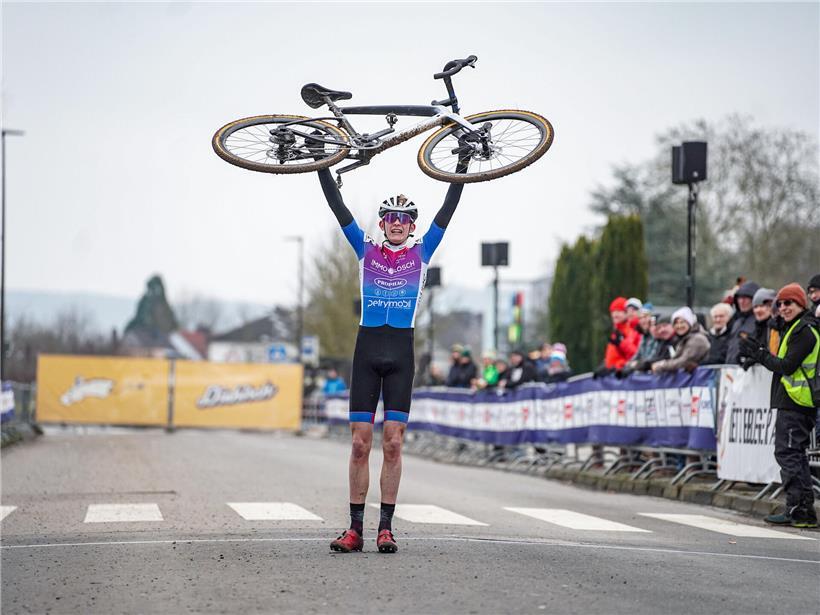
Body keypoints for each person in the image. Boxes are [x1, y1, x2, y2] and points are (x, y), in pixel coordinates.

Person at [316, 160, 466, 554]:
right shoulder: (365, 250)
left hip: (401, 351)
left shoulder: (423, 251)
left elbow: (448, 210)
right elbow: (338, 207)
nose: (397, 223)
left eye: (404, 218)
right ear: (382, 223)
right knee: (359, 444)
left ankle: (386, 527)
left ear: (412, 226)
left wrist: (462, 165)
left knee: (394, 443)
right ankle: (354, 529)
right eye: (391, 217)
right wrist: (321, 166)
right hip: (367, 349)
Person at [740, 283, 819, 529]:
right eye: (781, 303)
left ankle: (799, 510)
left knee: (789, 454)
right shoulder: (795, 327)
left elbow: (787, 366)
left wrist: (760, 354)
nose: (783, 308)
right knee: (793, 454)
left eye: (789, 303)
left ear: (801, 304)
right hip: (793, 401)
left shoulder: (805, 331)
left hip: (797, 402)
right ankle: (801, 510)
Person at [651, 307, 710, 374]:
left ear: (689, 322)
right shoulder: (682, 339)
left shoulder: (697, 339)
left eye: (682, 322)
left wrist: (662, 365)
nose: (679, 326)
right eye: (676, 323)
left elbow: (685, 361)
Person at [725, 280, 761, 364]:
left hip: (750, 370)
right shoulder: (736, 322)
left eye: (745, 298)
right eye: (739, 298)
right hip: (730, 370)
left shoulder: (760, 322)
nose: (741, 301)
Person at [604, 297, 641, 371]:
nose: (615, 314)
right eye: (613, 311)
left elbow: (636, 354)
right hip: (615, 370)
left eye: (618, 311)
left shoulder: (631, 329)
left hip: (623, 371)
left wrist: (621, 342)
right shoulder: (617, 330)